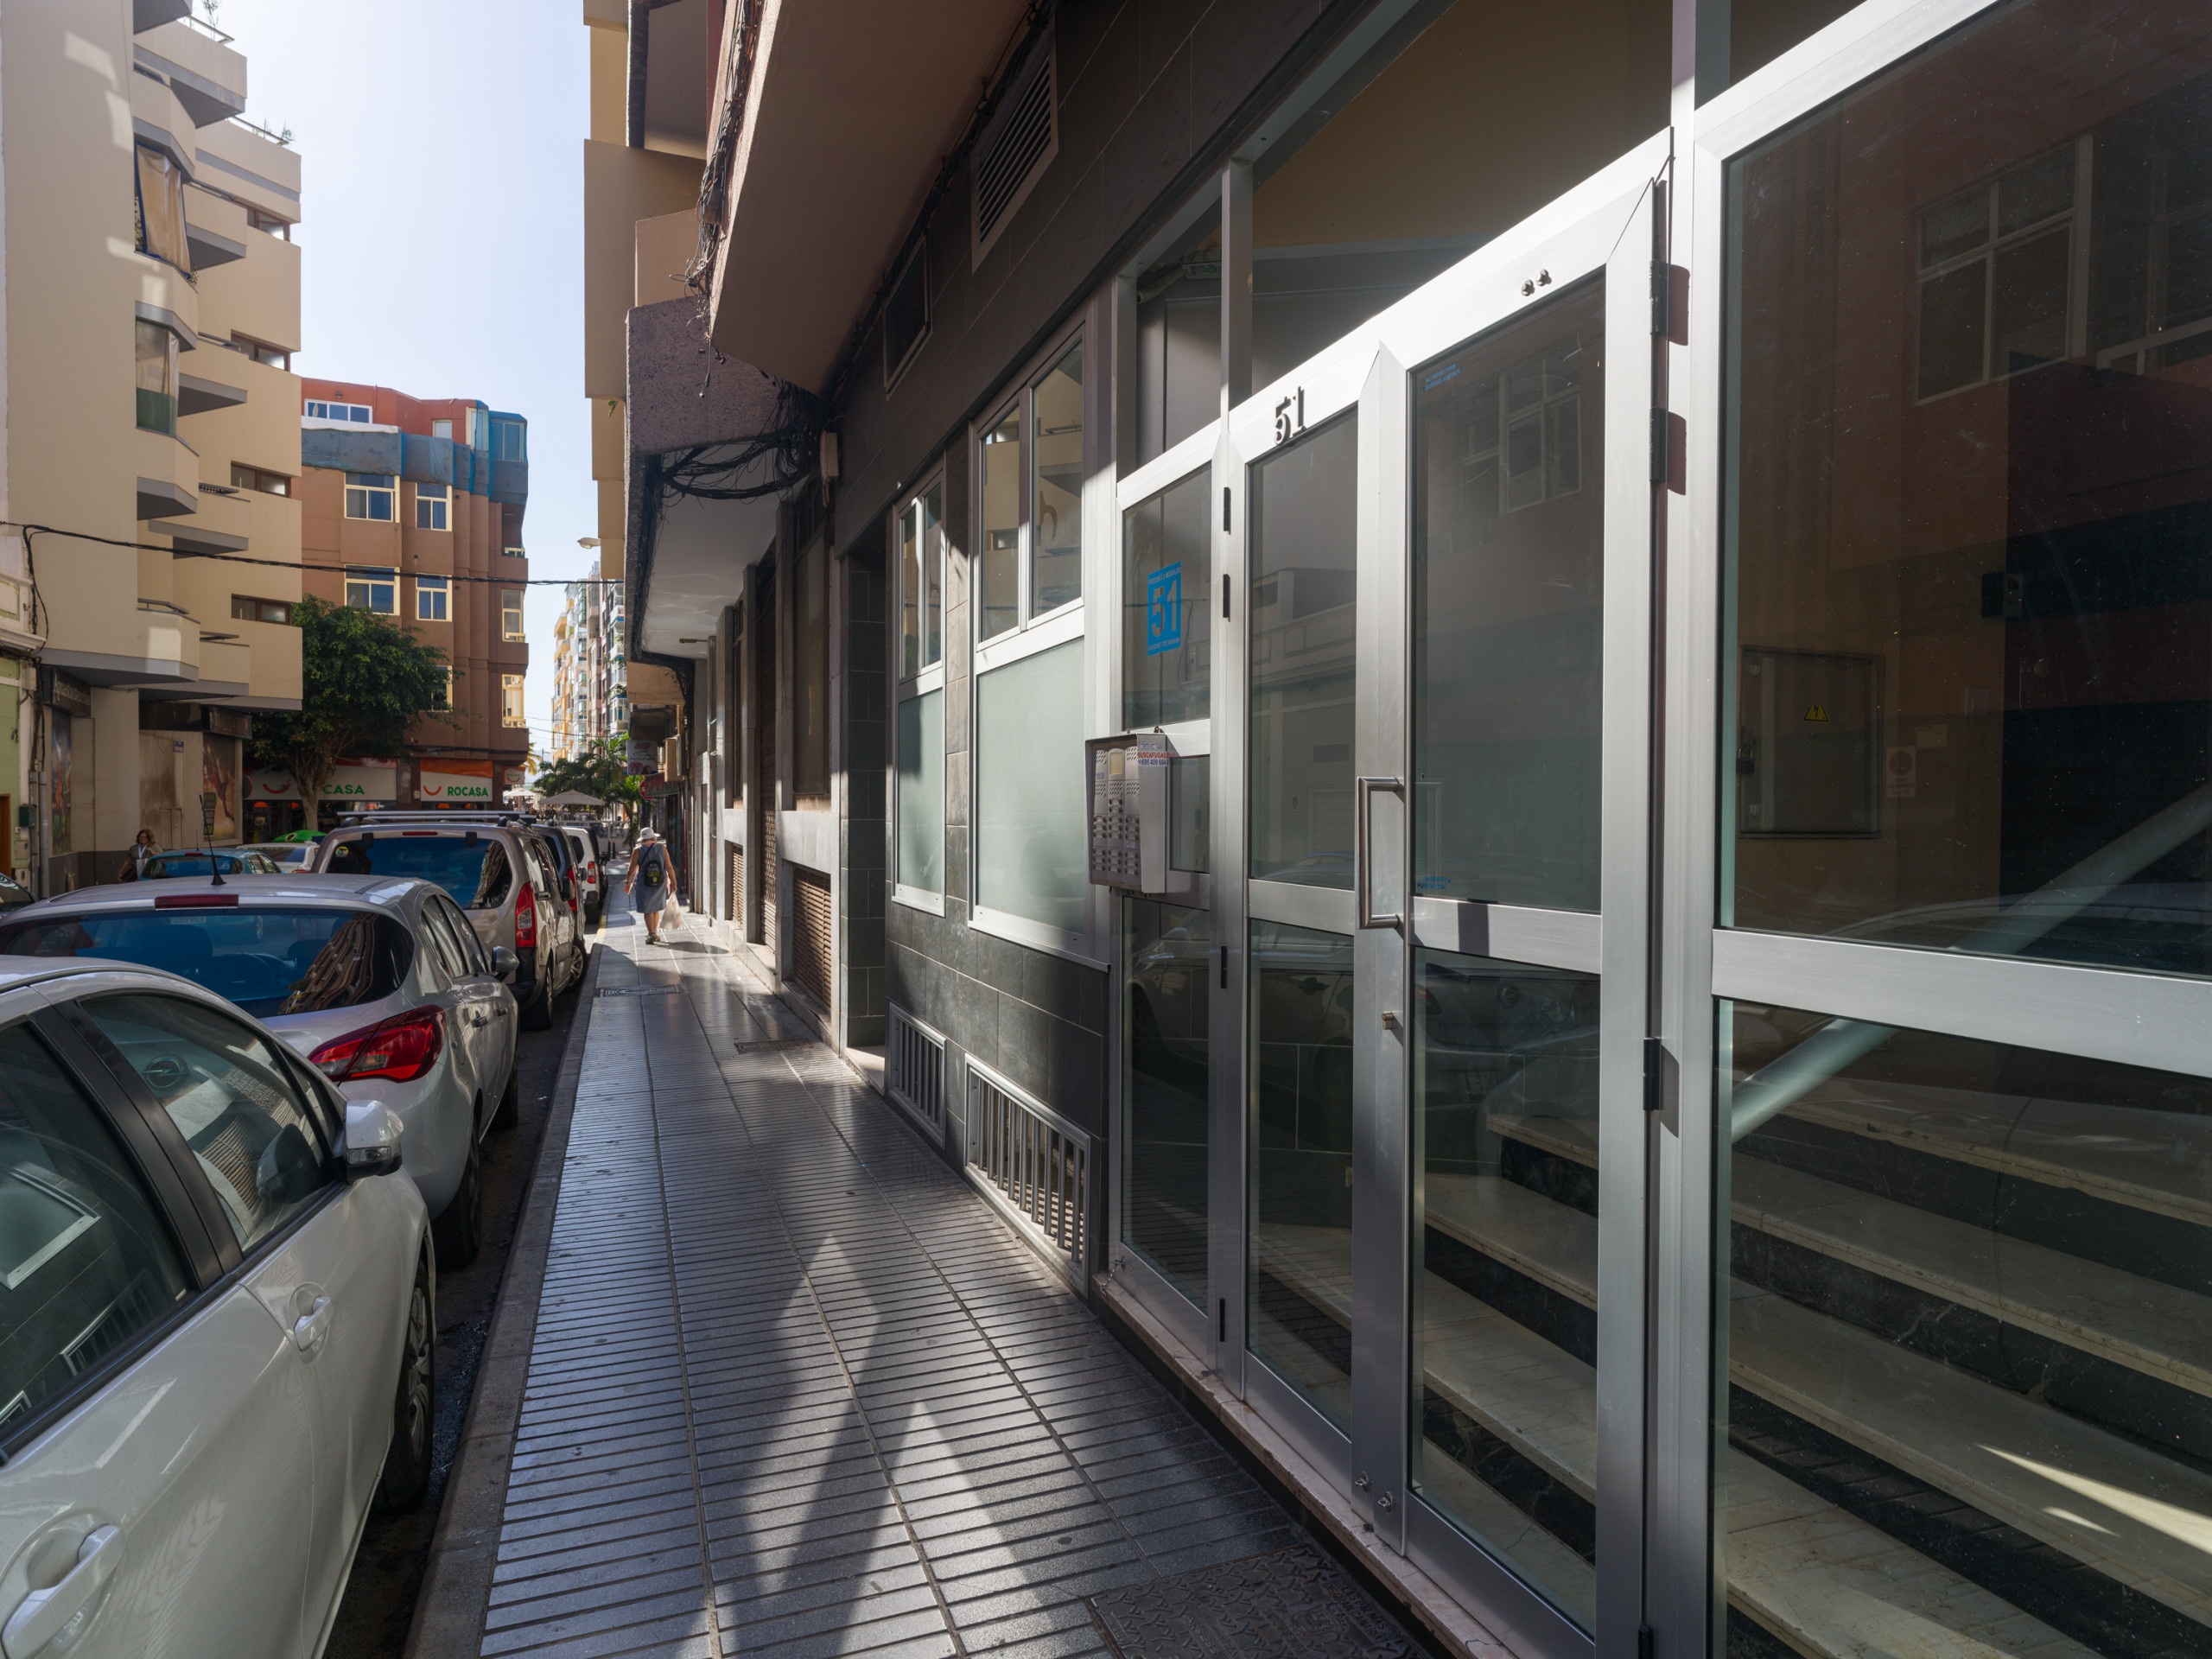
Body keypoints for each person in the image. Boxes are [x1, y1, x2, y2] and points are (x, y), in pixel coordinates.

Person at [630, 828, 673, 944]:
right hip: (660, 882)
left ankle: (651, 933)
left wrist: (628, 882)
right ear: (654, 837)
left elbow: (631, 869)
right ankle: (654, 933)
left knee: (647, 908)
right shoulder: (662, 848)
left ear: (642, 839)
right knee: (655, 908)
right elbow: (669, 867)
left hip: (644, 883)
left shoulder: (638, 851)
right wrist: (674, 881)